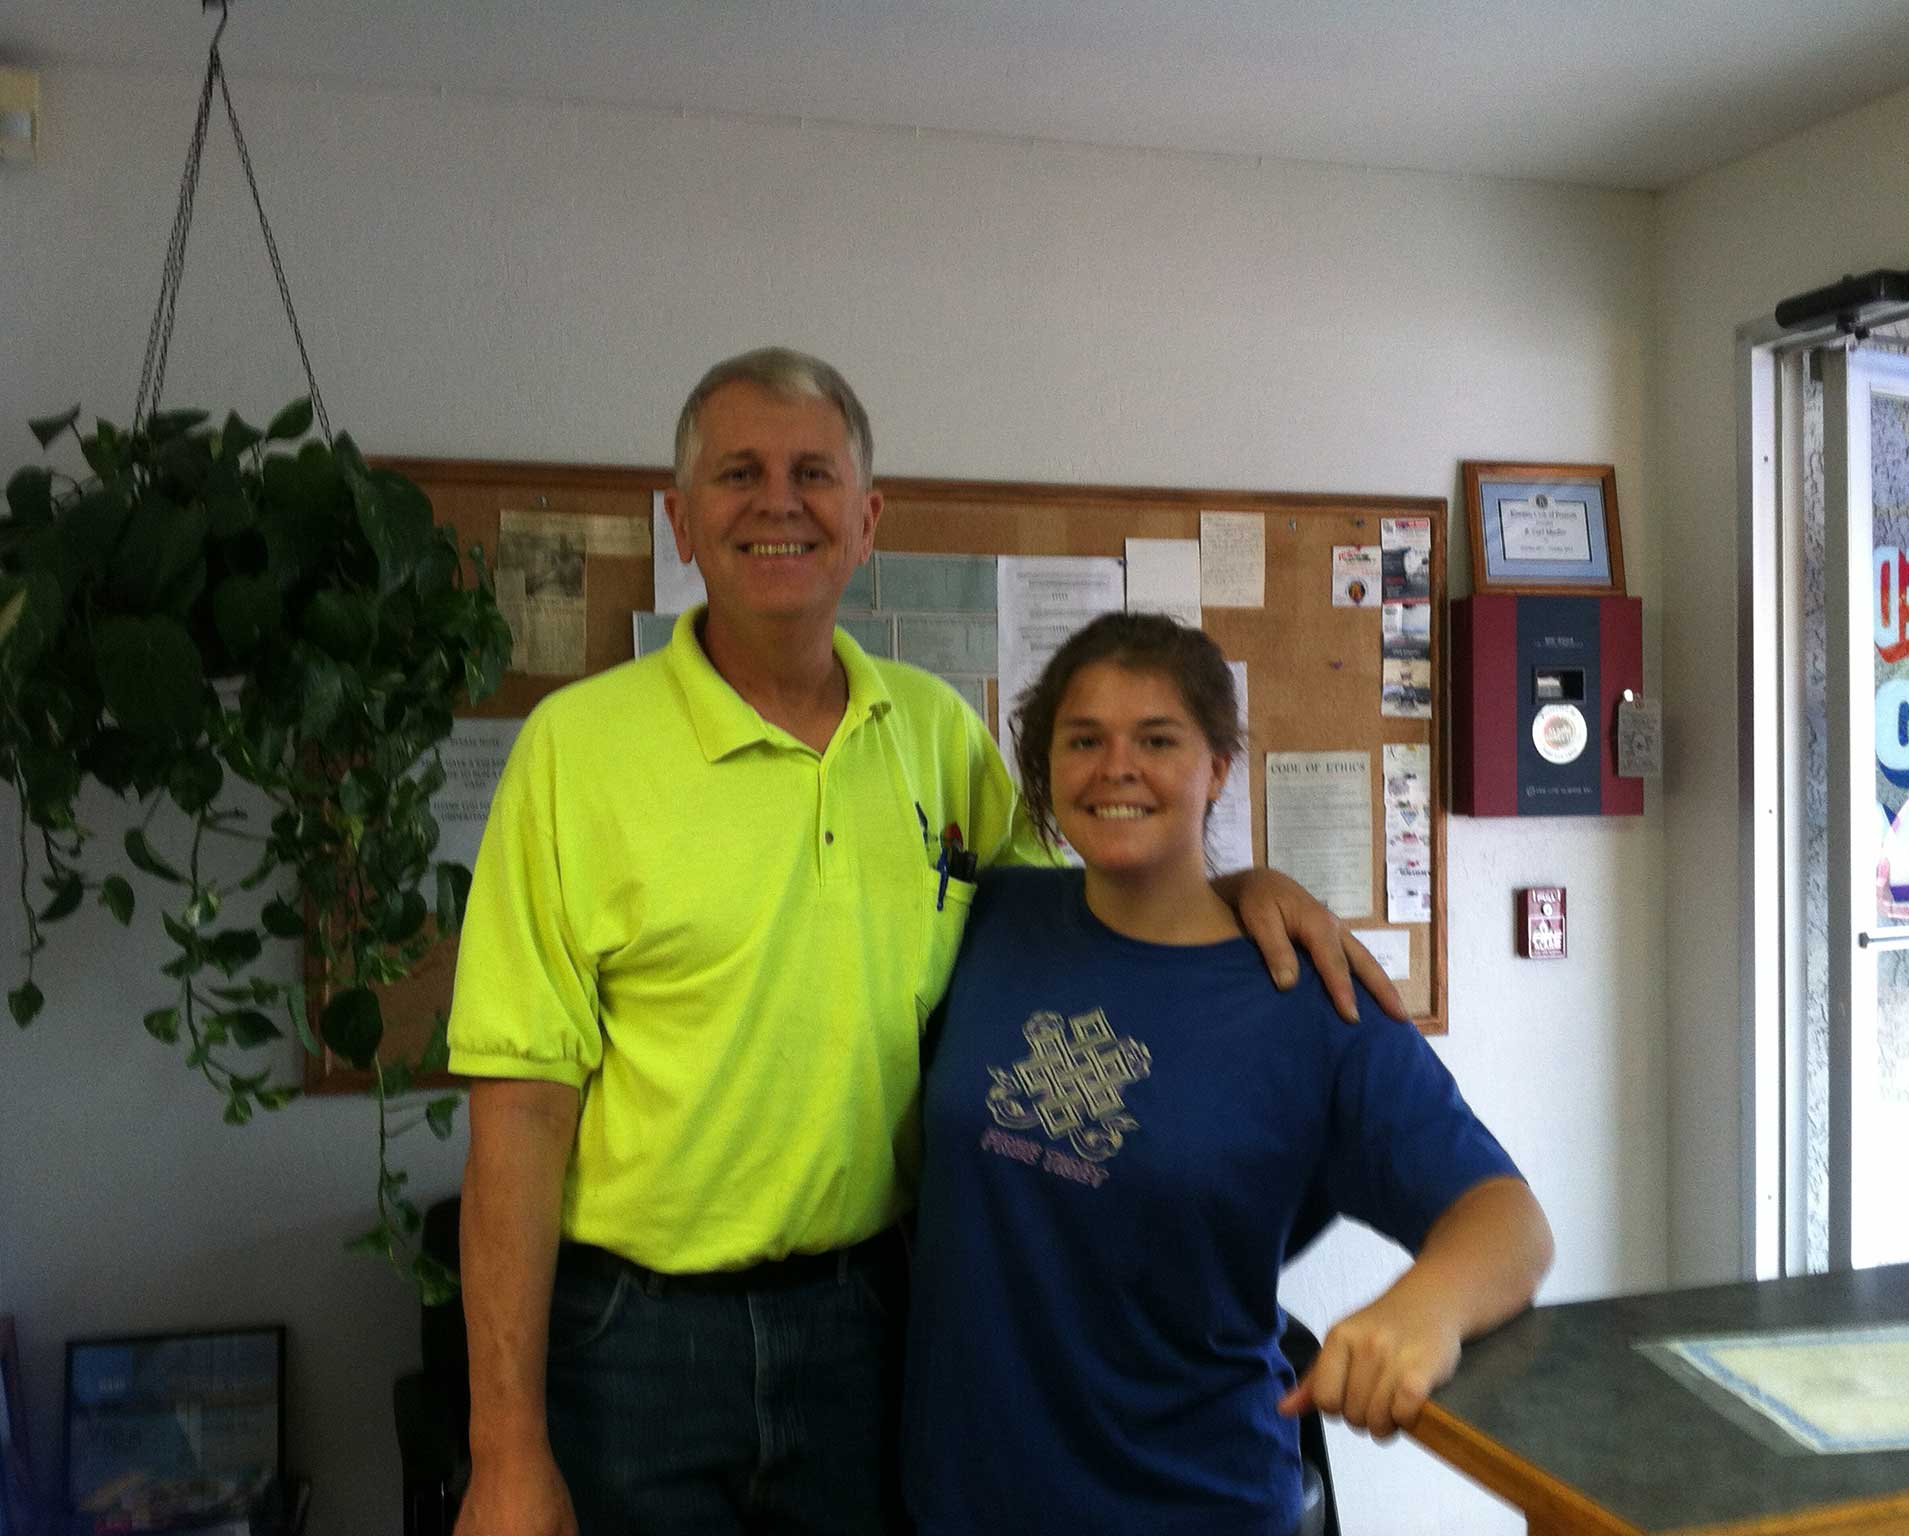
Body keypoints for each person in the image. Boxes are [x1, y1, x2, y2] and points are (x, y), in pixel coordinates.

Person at [445, 348, 1404, 1536]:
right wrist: (504, 1450)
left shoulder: (934, 735)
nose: (777, 501)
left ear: (865, 519)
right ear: (683, 520)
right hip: (637, 1347)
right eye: (737, 473)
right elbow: (519, 1114)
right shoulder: (573, 752)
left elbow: (1083, 925)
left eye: (812, 473)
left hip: (873, 1323)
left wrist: (1238, 878)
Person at [903, 613, 1554, 1536]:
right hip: (964, 1503)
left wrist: (1426, 1311)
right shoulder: (991, 919)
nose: (1116, 766)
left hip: (1192, 1502)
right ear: (1045, 768)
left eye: (1157, 740)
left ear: (1217, 767)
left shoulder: (1309, 996)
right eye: (1083, 740)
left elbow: (1508, 1221)